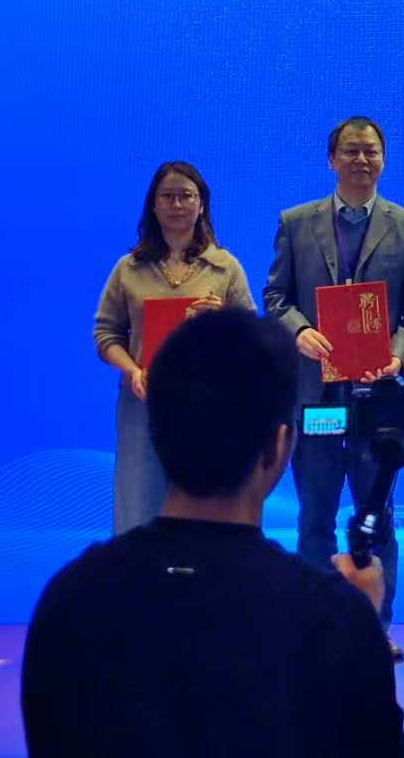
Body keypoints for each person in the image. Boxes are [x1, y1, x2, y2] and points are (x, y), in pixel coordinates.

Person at [23, 308, 404, 758]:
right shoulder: (332, 617)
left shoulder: (71, 601)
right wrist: (363, 628)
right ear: (279, 445)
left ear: (156, 432)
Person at [264, 116, 404, 655]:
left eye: (371, 151)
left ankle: (375, 629)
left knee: (376, 517)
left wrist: (397, 356)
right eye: (351, 151)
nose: (362, 160)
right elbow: (276, 298)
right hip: (316, 395)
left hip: (377, 397)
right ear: (331, 159)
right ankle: (314, 628)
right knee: (314, 515)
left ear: (384, 159)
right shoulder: (296, 222)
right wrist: (301, 331)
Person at [92, 160, 254, 534]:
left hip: (208, 406)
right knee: (139, 510)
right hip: (143, 405)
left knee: (204, 510)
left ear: (202, 204)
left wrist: (222, 320)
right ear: (153, 205)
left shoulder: (225, 267)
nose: (177, 204)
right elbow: (105, 333)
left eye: (186, 196)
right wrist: (132, 370)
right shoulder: (129, 268)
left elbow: (251, 338)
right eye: (167, 196)